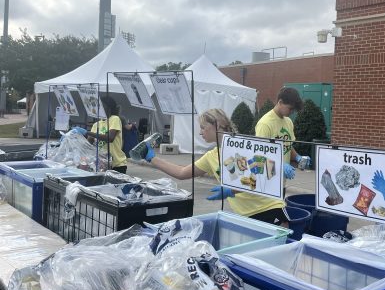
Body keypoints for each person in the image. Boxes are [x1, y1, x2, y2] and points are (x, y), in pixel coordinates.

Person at [145, 108, 289, 226]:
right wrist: (153, 159)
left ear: (218, 125)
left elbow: (258, 178)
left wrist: (232, 190)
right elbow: (182, 173)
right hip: (246, 215)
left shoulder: (245, 145)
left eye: (203, 128)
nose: (200, 133)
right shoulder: (211, 156)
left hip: (270, 209)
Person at [254, 87, 311, 180]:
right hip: (268, 180)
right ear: (280, 102)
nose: (292, 112)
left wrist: (298, 157)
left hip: (282, 180)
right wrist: (280, 165)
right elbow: (259, 154)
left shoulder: (288, 122)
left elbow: (288, 146)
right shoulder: (265, 124)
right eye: (290, 108)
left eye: (294, 109)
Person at [72, 96, 128, 174]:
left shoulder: (114, 119)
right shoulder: (96, 125)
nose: (99, 108)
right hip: (103, 164)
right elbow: (88, 145)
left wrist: (87, 132)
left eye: (101, 106)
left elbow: (110, 138)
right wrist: (75, 140)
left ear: (109, 107)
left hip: (117, 164)